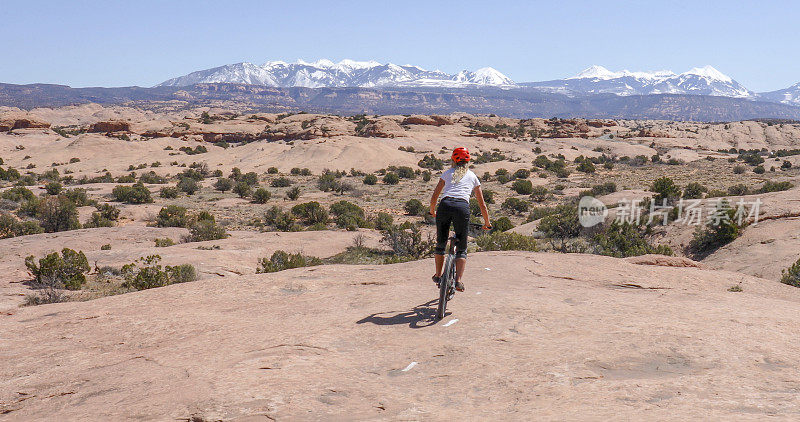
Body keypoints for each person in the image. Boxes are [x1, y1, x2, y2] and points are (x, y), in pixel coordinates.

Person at [429, 147, 491, 292]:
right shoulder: (473, 176)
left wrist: (432, 211)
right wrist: (487, 223)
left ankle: (438, 275)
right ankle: (458, 281)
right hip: (462, 208)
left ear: (453, 161)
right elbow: (482, 204)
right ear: (468, 162)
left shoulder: (447, 173)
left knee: (441, 243)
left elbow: (435, 196)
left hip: (445, 205)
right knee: (461, 248)